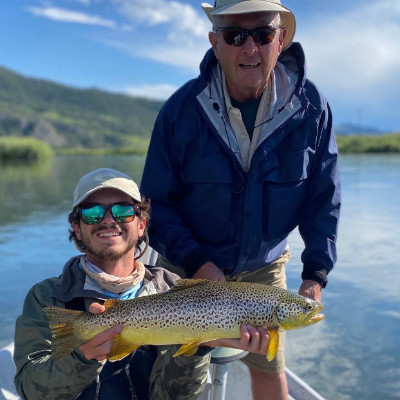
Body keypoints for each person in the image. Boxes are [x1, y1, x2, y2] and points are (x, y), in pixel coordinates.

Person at [140, 1, 341, 399]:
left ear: (280, 40)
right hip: (186, 267)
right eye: (235, 36)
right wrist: (199, 261)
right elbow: (156, 204)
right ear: (215, 43)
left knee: (268, 369)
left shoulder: (312, 109)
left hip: (263, 271)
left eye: (262, 34)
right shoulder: (180, 112)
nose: (250, 47)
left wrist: (315, 275)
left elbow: (323, 199)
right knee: (175, 380)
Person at [13, 167, 271, 400]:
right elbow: (31, 391)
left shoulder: (175, 291)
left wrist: (199, 346)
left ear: (141, 225)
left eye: (122, 210)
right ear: (77, 227)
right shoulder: (47, 296)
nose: (108, 220)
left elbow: (173, 398)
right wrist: (83, 358)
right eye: (92, 213)